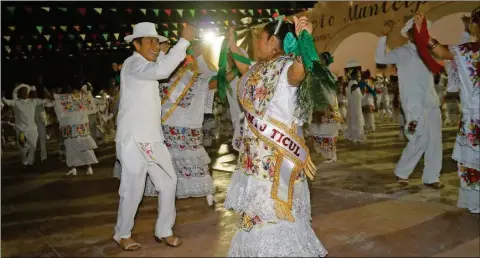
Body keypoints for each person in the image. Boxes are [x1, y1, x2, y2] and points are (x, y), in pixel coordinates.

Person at [224, 16, 328, 257]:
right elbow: (242, 66)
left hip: (279, 162)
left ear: (273, 41)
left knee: (277, 220)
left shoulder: (286, 68)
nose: (257, 43)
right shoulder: (258, 69)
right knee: (257, 220)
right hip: (255, 162)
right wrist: (231, 43)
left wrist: (305, 41)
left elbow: (298, 73)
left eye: (260, 39)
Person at [113, 22, 196, 251]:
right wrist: (184, 41)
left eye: (156, 41)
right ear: (136, 45)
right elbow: (162, 70)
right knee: (133, 187)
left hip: (151, 139)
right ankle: (122, 234)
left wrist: (167, 49)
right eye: (148, 41)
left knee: (169, 182)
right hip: (133, 138)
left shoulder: (147, 63)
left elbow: (160, 64)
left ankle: (164, 230)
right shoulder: (133, 64)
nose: (154, 45)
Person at [412, 10, 479, 213]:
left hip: (475, 117)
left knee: (474, 162)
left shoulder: (469, 51)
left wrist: (422, 32)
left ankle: (476, 202)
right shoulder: (468, 49)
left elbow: (439, 52)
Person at [375, 18, 443, 189]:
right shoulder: (404, 51)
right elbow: (380, 57)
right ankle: (402, 171)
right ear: (412, 33)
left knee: (435, 140)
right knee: (419, 138)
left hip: (431, 101)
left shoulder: (428, 52)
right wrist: (384, 36)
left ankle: (432, 177)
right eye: (420, 30)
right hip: (413, 104)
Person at [52, 80, 98, 176]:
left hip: (73, 127)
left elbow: (54, 97)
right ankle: (86, 167)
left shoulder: (66, 98)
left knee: (73, 148)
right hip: (80, 127)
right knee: (83, 148)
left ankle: (77, 168)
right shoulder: (84, 96)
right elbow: (91, 100)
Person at [2, 84, 53, 166]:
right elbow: (6, 102)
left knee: (33, 146)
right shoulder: (15, 102)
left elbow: (47, 102)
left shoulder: (33, 101)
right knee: (23, 148)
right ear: (19, 94)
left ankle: (29, 162)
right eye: (23, 92)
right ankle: (25, 161)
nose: (25, 93)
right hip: (21, 130)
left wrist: (51, 97)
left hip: (32, 129)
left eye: (26, 91)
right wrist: (2, 96)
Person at [307, 51, 341, 163]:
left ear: (325, 61)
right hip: (320, 104)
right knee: (320, 131)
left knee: (327, 131)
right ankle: (330, 155)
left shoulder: (325, 73)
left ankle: (331, 155)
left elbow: (328, 91)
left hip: (325, 104)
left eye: (321, 59)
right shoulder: (320, 73)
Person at [344, 68, 366, 143]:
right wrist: (360, 84)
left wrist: (362, 89)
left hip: (356, 106)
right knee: (355, 121)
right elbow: (353, 88)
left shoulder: (355, 82)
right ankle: (356, 137)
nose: (359, 75)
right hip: (354, 107)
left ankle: (357, 136)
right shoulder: (353, 82)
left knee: (356, 121)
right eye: (358, 74)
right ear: (355, 75)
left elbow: (360, 96)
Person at [29, 86, 48, 162]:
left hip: (40, 122)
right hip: (33, 123)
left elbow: (49, 103)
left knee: (42, 139)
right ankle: (33, 158)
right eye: (33, 93)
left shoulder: (39, 101)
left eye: (35, 92)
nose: (34, 94)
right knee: (34, 141)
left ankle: (43, 157)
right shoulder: (30, 102)